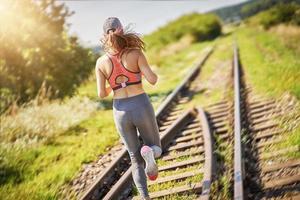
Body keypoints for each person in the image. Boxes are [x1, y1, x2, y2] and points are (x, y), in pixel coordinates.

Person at [95, 17, 162, 200]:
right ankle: (150, 153)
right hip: (140, 104)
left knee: (134, 159)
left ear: (104, 35)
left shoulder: (101, 62)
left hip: (120, 111)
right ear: (122, 29)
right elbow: (153, 80)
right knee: (155, 147)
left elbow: (101, 93)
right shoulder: (135, 53)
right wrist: (140, 74)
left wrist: (116, 85)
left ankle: (145, 196)